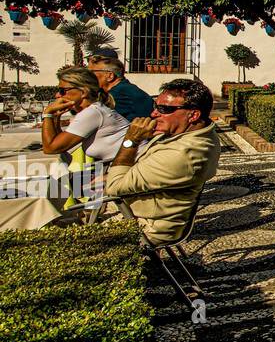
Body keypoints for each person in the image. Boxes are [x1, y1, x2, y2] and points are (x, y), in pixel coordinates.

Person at [105, 78, 222, 245]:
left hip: (139, 223)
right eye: (155, 106)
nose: (154, 114)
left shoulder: (183, 154)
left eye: (164, 109)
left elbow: (114, 188)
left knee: (60, 194)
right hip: (128, 204)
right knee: (61, 186)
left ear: (193, 115)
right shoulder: (186, 134)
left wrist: (130, 140)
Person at [41, 65, 129, 164]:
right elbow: (60, 145)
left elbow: (50, 148)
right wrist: (55, 117)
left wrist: (47, 113)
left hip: (132, 169)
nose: (58, 95)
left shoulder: (92, 113)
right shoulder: (95, 110)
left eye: (63, 91)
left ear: (83, 92)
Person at [86, 54, 154, 122]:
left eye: (91, 72)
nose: (87, 76)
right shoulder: (125, 88)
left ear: (110, 76)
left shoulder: (119, 94)